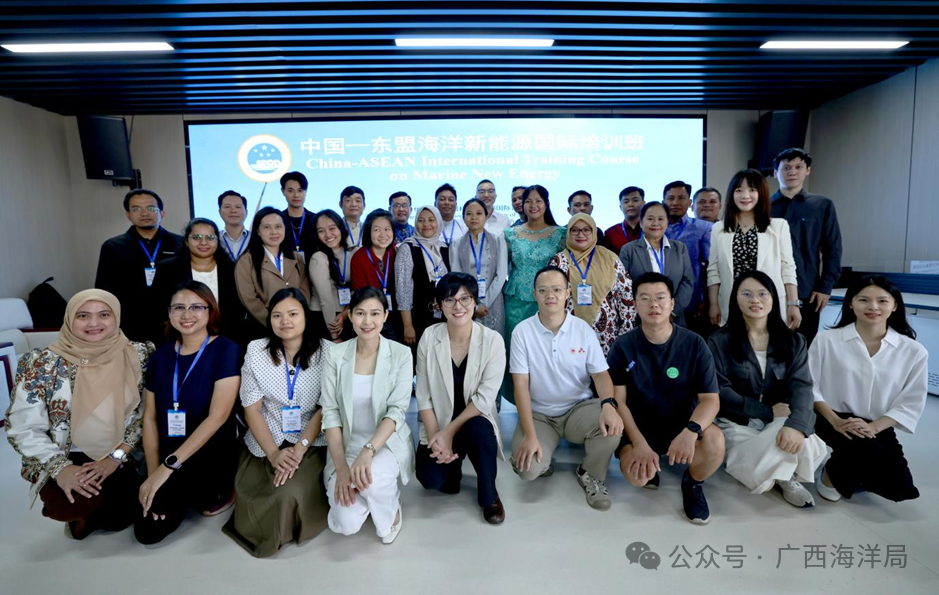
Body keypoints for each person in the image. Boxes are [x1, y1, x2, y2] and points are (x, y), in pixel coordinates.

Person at [6, 290, 153, 539]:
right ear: (69, 318)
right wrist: (60, 468)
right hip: (64, 452)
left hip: (121, 452)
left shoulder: (139, 355)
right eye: (83, 315)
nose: (94, 323)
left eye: (104, 314)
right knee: (68, 504)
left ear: (116, 317)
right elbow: (23, 426)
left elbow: (145, 414)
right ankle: (80, 512)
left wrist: (115, 457)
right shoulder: (43, 363)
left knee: (119, 518)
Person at [607, 273, 725, 524]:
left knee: (715, 441)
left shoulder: (694, 344)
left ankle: (693, 483)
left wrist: (691, 431)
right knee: (637, 477)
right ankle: (651, 463)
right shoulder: (622, 346)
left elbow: (710, 399)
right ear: (634, 304)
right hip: (640, 427)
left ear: (672, 303)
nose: (654, 304)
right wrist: (638, 442)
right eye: (645, 299)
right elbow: (619, 402)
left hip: (682, 424)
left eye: (661, 298)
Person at [222, 289, 332, 557]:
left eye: (293, 314)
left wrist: (300, 449)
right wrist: (273, 453)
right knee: (253, 492)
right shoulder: (256, 350)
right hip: (266, 436)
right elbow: (252, 409)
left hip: (310, 438)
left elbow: (325, 408)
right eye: (277, 315)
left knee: (288, 491)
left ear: (306, 316)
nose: (285, 321)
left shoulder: (329, 352)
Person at [707, 271, 827, 508]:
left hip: (779, 420)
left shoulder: (794, 341)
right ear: (735, 298)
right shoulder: (719, 341)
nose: (755, 300)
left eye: (763, 294)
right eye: (746, 294)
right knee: (781, 447)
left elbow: (803, 387)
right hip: (737, 421)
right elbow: (720, 390)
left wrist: (796, 426)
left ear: (774, 298)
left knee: (803, 438)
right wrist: (766, 411)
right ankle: (784, 473)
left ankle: (780, 475)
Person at [510, 266, 623, 510]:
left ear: (567, 293)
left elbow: (600, 374)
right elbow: (520, 386)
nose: (550, 295)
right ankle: (543, 459)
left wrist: (608, 405)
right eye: (543, 290)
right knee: (527, 470)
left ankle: (590, 473)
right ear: (534, 294)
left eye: (556, 289)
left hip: (577, 410)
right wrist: (530, 435)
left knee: (612, 425)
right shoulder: (522, 332)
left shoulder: (582, 329)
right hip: (540, 415)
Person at [135, 281, 240, 544]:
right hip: (169, 452)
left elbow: (218, 417)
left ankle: (224, 490)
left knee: (205, 500)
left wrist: (167, 468)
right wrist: (154, 474)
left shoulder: (226, 349)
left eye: (196, 307)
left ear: (210, 310)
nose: (187, 314)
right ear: (169, 313)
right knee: (148, 531)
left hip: (209, 451)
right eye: (179, 307)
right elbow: (150, 417)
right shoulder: (159, 356)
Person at [810, 275, 928, 503]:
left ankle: (845, 466)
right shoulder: (827, 340)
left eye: (882, 301)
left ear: (895, 306)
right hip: (829, 416)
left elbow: (911, 401)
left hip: (876, 424)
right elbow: (810, 385)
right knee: (867, 452)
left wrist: (874, 426)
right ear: (850, 303)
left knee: (900, 488)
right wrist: (835, 420)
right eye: (864, 300)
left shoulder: (913, 351)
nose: (873, 307)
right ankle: (830, 476)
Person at [321, 288, 415, 544]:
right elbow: (330, 413)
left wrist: (369, 450)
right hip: (346, 446)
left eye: (375, 313)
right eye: (360, 313)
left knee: (371, 482)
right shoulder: (335, 354)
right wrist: (342, 468)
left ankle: (391, 508)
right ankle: (373, 495)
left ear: (385, 316)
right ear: (350, 315)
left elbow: (396, 411)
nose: (367, 321)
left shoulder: (400, 354)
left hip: (384, 444)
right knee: (345, 523)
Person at [415, 274, 507, 524]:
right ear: (439, 305)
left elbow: (484, 399)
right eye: (449, 299)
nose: (458, 306)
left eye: (465, 298)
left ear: (475, 301)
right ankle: (453, 464)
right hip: (439, 421)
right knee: (432, 481)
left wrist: (449, 433)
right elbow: (423, 395)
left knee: (480, 431)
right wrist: (437, 438)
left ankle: (489, 495)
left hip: (473, 418)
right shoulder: (429, 337)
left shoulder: (492, 341)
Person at [707, 169, 800, 330]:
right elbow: (713, 270)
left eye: (752, 190)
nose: (745, 196)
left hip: (767, 303)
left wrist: (793, 304)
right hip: (732, 302)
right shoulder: (719, 229)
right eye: (739, 190)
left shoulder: (778, 226)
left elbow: (788, 267)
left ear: (761, 193)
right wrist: (714, 304)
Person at [771, 148, 843, 345]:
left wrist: (825, 287)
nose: (792, 172)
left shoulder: (822, 205)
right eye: (786, 168)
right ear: (776, 173)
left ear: (808, 171)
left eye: (798, 167)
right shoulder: (763, 206)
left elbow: (832, 248)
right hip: (768, 290)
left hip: (808, 291)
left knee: (803, 348)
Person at [95, 188, 184, 343]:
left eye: (151, 208)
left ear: (162, 213)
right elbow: (104, 291)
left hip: (173, 321)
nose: (144, 213)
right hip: (130, 324)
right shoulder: (113, 247)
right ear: (128, 215)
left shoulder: (180, 243)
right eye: (136, 209)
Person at [547, 214, 635, 356]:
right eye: (574, 230)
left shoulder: (609, 258)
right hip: (568, 335)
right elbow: (550, 300)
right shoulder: (558, 261)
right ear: (568, 233)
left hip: (608, 338)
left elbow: (626, 296)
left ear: (594, 231)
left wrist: (625, 334)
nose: (580, 234)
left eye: (586, 230)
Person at [153, 218, 248, 347]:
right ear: (186, 241)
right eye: (196, 237)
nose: (203, 242)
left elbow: (238, 312)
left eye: (210, 237)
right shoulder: (167, 269)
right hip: (180, 339)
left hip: (225, 340)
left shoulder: (232, 269)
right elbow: (158, 308)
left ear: (217, 240)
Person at [234, 207, 311, 334]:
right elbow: (249, 298)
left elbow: (304, 291)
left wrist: (297, 318)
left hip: (296, 327)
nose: (274, 232)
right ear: (258, 231)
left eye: (278, 226)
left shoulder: (296, 258)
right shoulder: (246, 261)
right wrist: (274, 323)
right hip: (264, 327)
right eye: (267, 227)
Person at [619, 202, 695, 325]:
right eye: (650, 219)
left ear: (667, 222)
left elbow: (688, 281)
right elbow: (623, 286)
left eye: (660, 219)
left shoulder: (680, 248)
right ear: (641, 222)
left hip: (674, 318)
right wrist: (643, 310)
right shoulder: (628, 250)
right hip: (641, 318)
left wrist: (672, 311)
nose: (655, 223)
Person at [450, 199, 507, 335]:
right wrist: (474, 306)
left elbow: (501, 275)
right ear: (463, 218)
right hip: (466, 304)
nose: (474, 217)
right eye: (469, 213)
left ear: (486, 216)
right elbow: (457, 277)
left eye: (479, 213)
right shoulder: (456, 245)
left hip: (494, 301)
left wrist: (484, 303)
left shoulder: (498, 240)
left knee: (494, 341)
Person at [396, 205, 449, 348]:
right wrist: (408, 325)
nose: (426, 224)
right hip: (417, 319)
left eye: (431, 220)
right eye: (421, 220)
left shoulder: (445, 248)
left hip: (445, 319)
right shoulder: (407, 248)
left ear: (438, 222)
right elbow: (403, 291)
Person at [664, 181, 713, 332]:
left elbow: (710, 267)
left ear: (689, 202)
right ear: (663, 202)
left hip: (693, 303)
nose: (675, 203)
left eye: (681, 198)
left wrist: (704, 300)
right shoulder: (655, 228)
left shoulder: (703, 228)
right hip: (660, 302)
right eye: (670, 198)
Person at [350, 208, 400, 340]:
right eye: (377, 230)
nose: (383, 234)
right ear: (368, 232)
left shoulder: (397, 251)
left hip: (397, 315)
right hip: (371, 317)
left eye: (387, 229)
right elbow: (360, 294)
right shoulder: (359, 257)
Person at [309, 209, 358, 340]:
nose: (328, 234)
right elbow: (325, 300)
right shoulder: (318, 257)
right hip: (325, 318)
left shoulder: (354, 252)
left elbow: (358, 288)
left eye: (332, 228)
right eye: (321, 231)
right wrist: (334, 335)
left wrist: (346, 313)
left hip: (348, 313)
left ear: (340, 228)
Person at [280, 171, 317, 258]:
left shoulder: (316, 219)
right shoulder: (277, 220)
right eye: (290, 191)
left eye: (300, 190)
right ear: (283, 191)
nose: (296, 195)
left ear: (305, 191)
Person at [602, 186, 644, 254]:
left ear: (643, 204)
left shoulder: (652, 229)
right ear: (620, 207)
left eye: (635, 200)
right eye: (626, 201)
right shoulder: (610, 233)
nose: (631, 204)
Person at [218, 190, 250, 261]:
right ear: (220, 212)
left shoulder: (257, 238)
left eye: (238, 207)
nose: (233, 211)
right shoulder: (214, 239)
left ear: (246, 212)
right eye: (227, 207)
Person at [435, 183, 466, 251]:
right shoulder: (429, 227)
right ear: (435, 204)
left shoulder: (464, 226)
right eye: (442, 199)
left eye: (451, 200)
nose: (447, 203)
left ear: (456, 204)